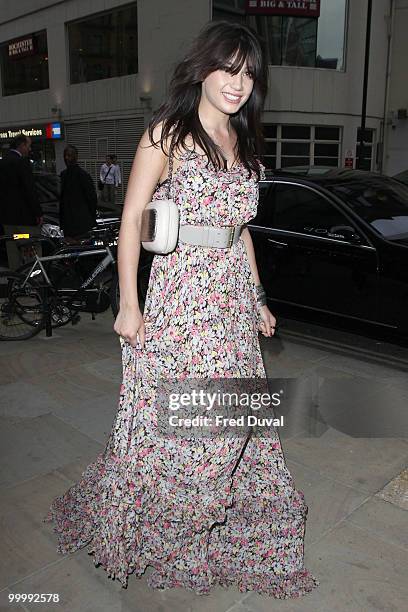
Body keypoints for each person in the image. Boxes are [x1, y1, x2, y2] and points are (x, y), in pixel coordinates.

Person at [43, 20, 319, 599]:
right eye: (228, 68)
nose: (238, 83)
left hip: (232, 301)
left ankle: (213, 527)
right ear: (203, 68)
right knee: (189, 429)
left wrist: (260, 298)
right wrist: (127, 305)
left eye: (249, 74)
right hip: (183, 298)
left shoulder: (242, 142)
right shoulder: (167, 134)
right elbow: (129, 221)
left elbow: (239, 231)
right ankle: (174, 528)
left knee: (234, 421)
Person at [0, 135, 43, 269]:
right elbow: (29, 190)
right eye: (28, 146)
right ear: (22, 145)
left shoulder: (2, 162)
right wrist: (38, 213)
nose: (29, 149)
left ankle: (16, 281)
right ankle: (34, 282)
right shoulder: (22, 162)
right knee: (30, 249)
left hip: (7, 220)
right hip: (24, 220)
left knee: (12, 249)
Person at [59, 145, 97, 240]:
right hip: (71, 223)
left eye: (69, 155)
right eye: (65, 155)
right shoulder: (64, 175)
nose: (66, 158)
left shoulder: (83, 175)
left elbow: (92, 199)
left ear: (76, 157)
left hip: (81, 223)